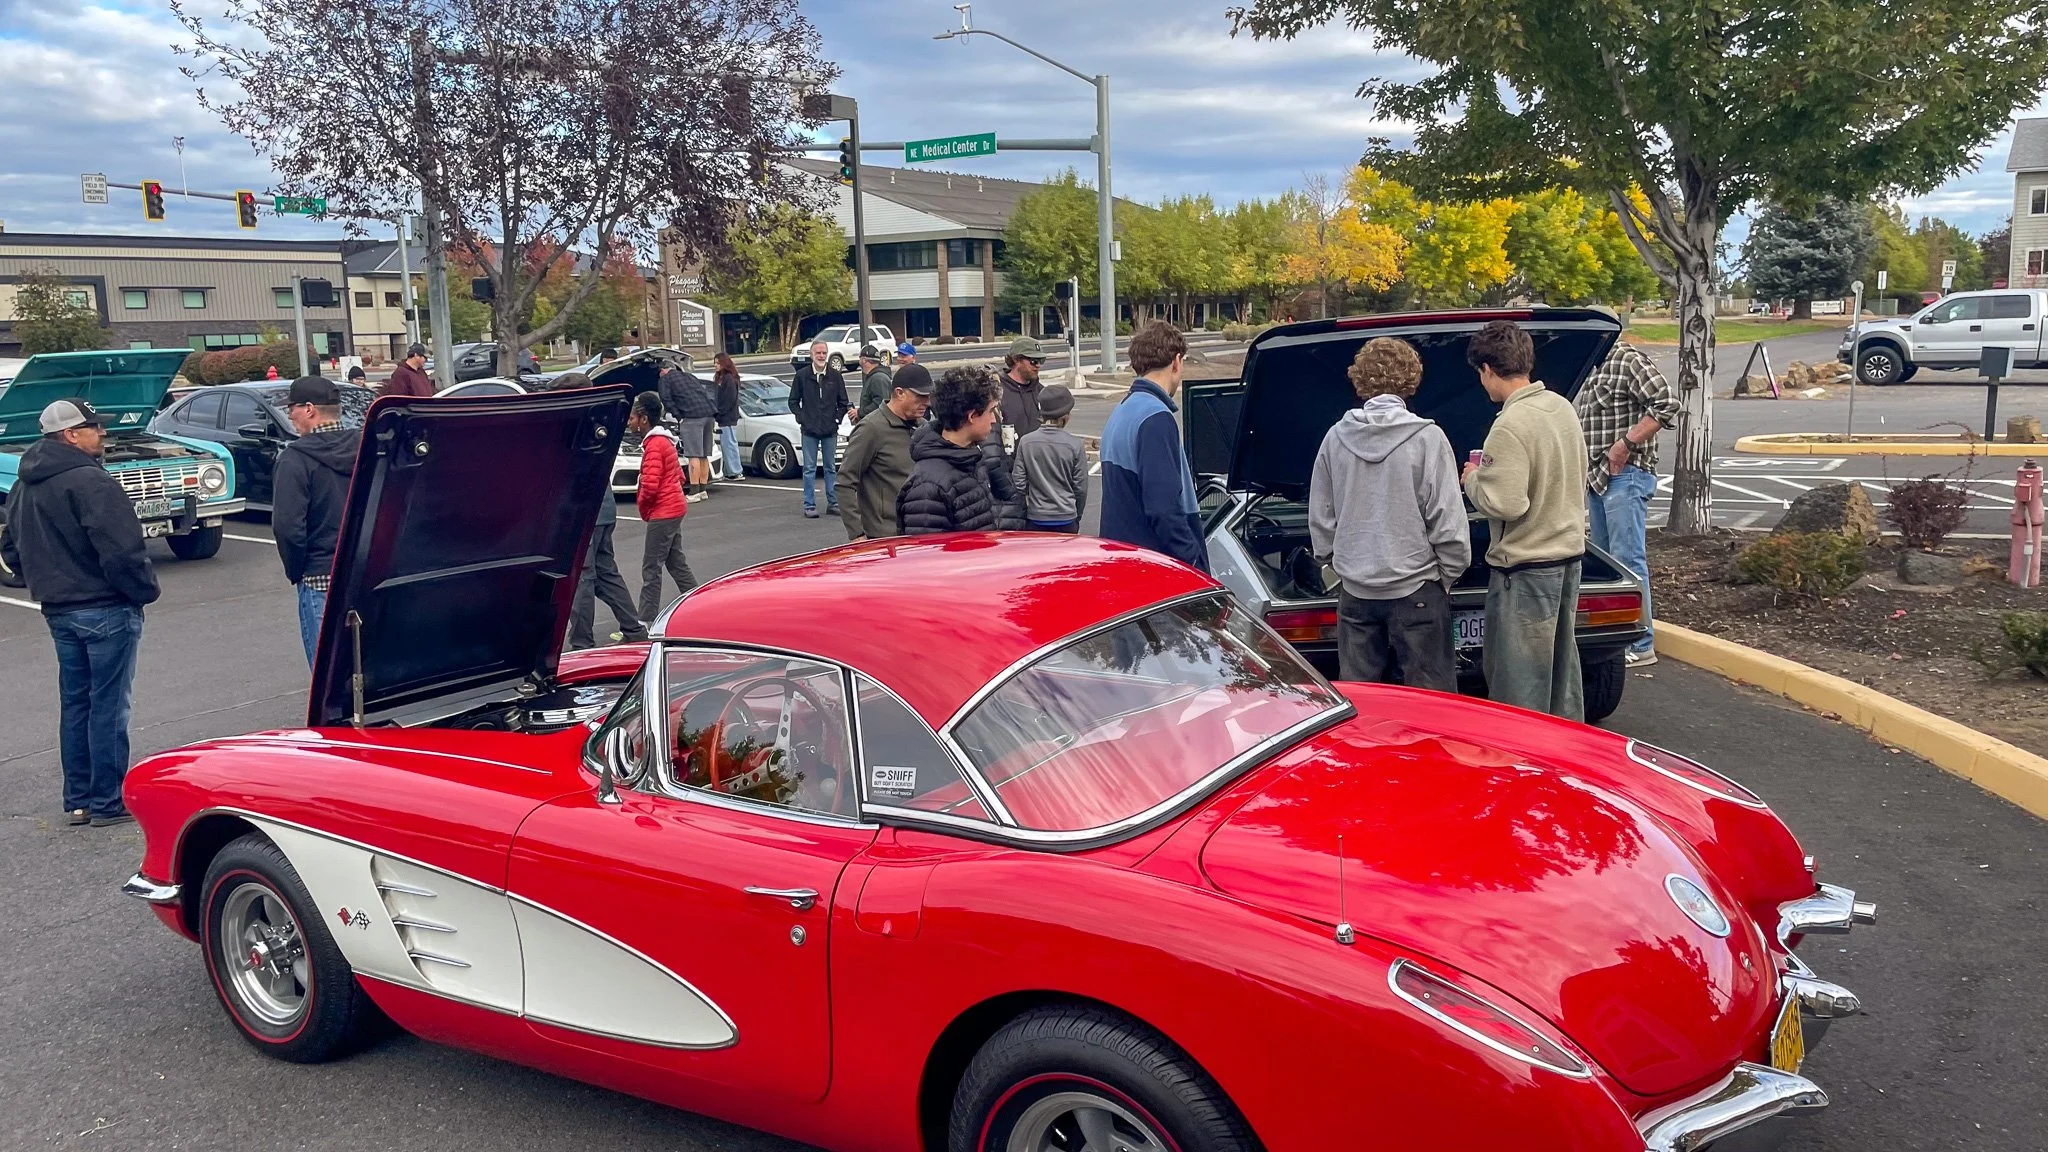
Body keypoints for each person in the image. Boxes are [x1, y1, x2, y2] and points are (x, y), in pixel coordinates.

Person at [0, 399, 158, 828]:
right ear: (70, 435)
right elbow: (122, 551)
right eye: (93, 427)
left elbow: (11, 549)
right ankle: (107, 801)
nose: (102, 433)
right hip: (104, 606)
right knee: (108, 705)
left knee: (76, 704)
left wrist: (45, 581)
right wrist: (143, 592)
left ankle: (79, 800)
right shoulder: (92, 481)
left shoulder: (23, 484)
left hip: (58, 609)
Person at [1308, 338, 1470, 690]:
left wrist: (1336, 563)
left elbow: (1321, 516)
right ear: (1412, 380)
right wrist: (1446, 576)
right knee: (1431, 703)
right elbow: (1448, 521)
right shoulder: (1428, 438)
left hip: (1356, 592)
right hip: (1417, 589)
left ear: (1359, 380)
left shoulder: (1335, 438)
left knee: (1363, 701)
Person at [1461, 321, 1590, 720]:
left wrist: (1472, 480)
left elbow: (1506, 504)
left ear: (1487, 370)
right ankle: (1565, 751)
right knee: (1560, 679)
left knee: (1520, 687)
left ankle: (1520, 755)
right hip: (1568, 559)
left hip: (1526, 570)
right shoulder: (1561, 407)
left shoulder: (1509, 424)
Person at [1575, 337, 1677, 667]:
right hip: (1599, 478)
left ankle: (1641, 643)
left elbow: (1666, 403)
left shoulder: (1627, 360)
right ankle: (1615, 643)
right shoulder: (1593, 367)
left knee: (1628, 561)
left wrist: (1626, 444)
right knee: (1609, 569)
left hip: (1627, 475)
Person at [1099, 320, 1207, 571]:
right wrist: (1193, 560)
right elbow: (1163, 508)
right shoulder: (1156, 417)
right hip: (1153, 566)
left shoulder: (1122, 410)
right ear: (1176, 362)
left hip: (1122, 559)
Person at [550, 373, 648, 648]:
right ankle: (633, 628)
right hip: (603, 508)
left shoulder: (574, 425)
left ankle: (582, 642)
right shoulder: (602, 420)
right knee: (606, 572)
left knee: (582, 577)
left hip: (583, 512)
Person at [270, 376, 362, 667]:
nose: (290, 416)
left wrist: (298, 570)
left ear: (309, 409)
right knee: (366, 668)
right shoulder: (366, 448)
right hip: (366, 574)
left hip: (320, 577)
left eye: (292, 408)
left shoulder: (295, 459)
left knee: (328, 673)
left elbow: (288, 527)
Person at [898, 367, 1007, 535]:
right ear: (971, 416)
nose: (994, 420)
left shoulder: (970, 459)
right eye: (991, 411)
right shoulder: (927, 487)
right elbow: (927, 548)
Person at [836, 364, 933, 541]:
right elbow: (845, 482)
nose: (927, 402)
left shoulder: (923, 428)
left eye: (928, 396)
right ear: (899, 393)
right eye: (920, 396)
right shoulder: (871, 429)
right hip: (884, 537)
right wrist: (857, 534)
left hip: (920, 533)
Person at [629, 391, 696, 623]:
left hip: (663, 512)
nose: (629, 423)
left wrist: (644, 508)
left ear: (644, 419)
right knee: (676, 563)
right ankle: (698, 604)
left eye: (632, 418)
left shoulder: (654, 445)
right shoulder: (664, 441)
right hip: (674, 507)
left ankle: (645, 621)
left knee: (651, 568)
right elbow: (680, 476)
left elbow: (649, 486)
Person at [1011, 384, 1088, 533]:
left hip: (1036, 516)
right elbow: (1080, 488)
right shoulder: (1074, 445)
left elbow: (1019, 483)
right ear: (1065, 416)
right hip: (1066, 517)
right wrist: (1077, 514)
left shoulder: (1026, 442)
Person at [789, 340, 849, 519]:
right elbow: (793, 401)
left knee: (830, 468)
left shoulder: (835, 376)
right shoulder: (802, 376)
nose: (821, 356)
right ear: (811, 355)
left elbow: (843, 402)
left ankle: (833, 503)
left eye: (824, 353)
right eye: (818, 353)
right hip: (809, 431)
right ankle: (809, 504)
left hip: (830, 430)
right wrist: (802, 418)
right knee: (809, 468)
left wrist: (837, 419)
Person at [659, 361, 716, 502]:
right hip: (709, 415)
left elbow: (666, 399)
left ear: (662, 370)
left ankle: (694, 492)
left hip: (691, 417)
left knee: (693, 455)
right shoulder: (689, 376)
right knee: (704, 455)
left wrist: (678, 416)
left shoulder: (665, 379)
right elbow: (704, 393)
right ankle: (703, 490)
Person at [712, 352, 744, 482]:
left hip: (728, 417)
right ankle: (729, 470)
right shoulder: (721, 378)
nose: (715, 365)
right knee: (726, 444)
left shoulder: (729, 379)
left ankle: (735, 471)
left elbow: (729, 399)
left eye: (718, 363)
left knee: (730, 443)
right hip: (724, 417)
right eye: (715, 363)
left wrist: (719, 412)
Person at [853, 345, 895, 424]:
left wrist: (859, 412)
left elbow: (880, 404)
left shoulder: (878, 378)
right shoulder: (876, 376)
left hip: (878, 426)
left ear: (864, 360)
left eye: (860, 358)